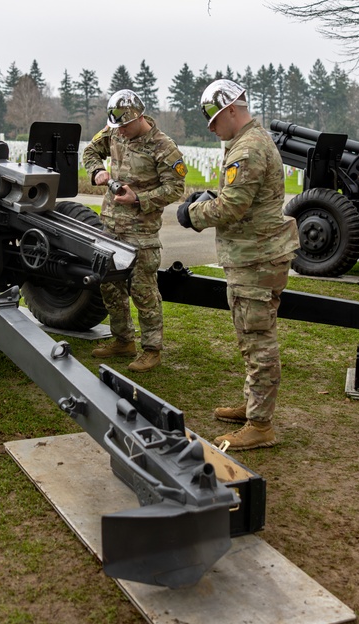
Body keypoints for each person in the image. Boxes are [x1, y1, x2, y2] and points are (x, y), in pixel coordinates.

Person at [175, 79, 300, 451]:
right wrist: (210, 197)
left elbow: (232, 207)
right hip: (256, 255)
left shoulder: (247, 148)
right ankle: (252, 405)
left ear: (232, 110)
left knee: (258, 340)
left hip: (256, 258)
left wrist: (192, 213)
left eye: (214, 120)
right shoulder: (250, 142)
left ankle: (260, 425)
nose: (211, 128)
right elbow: (242, 197)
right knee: (251, 336)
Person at [82, 89, 187, 373]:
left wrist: (139, 199)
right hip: (111, 225)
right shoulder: (115, 131)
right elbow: (90, 150)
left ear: (138, 117)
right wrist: (96, 172)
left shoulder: (164, 147)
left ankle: (152, 350)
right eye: (118, 127)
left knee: (143, 291)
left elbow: (176, 188)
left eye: (126, 126)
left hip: (141, 231)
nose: (122, 132)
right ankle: (122, 340)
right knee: (109, 286)